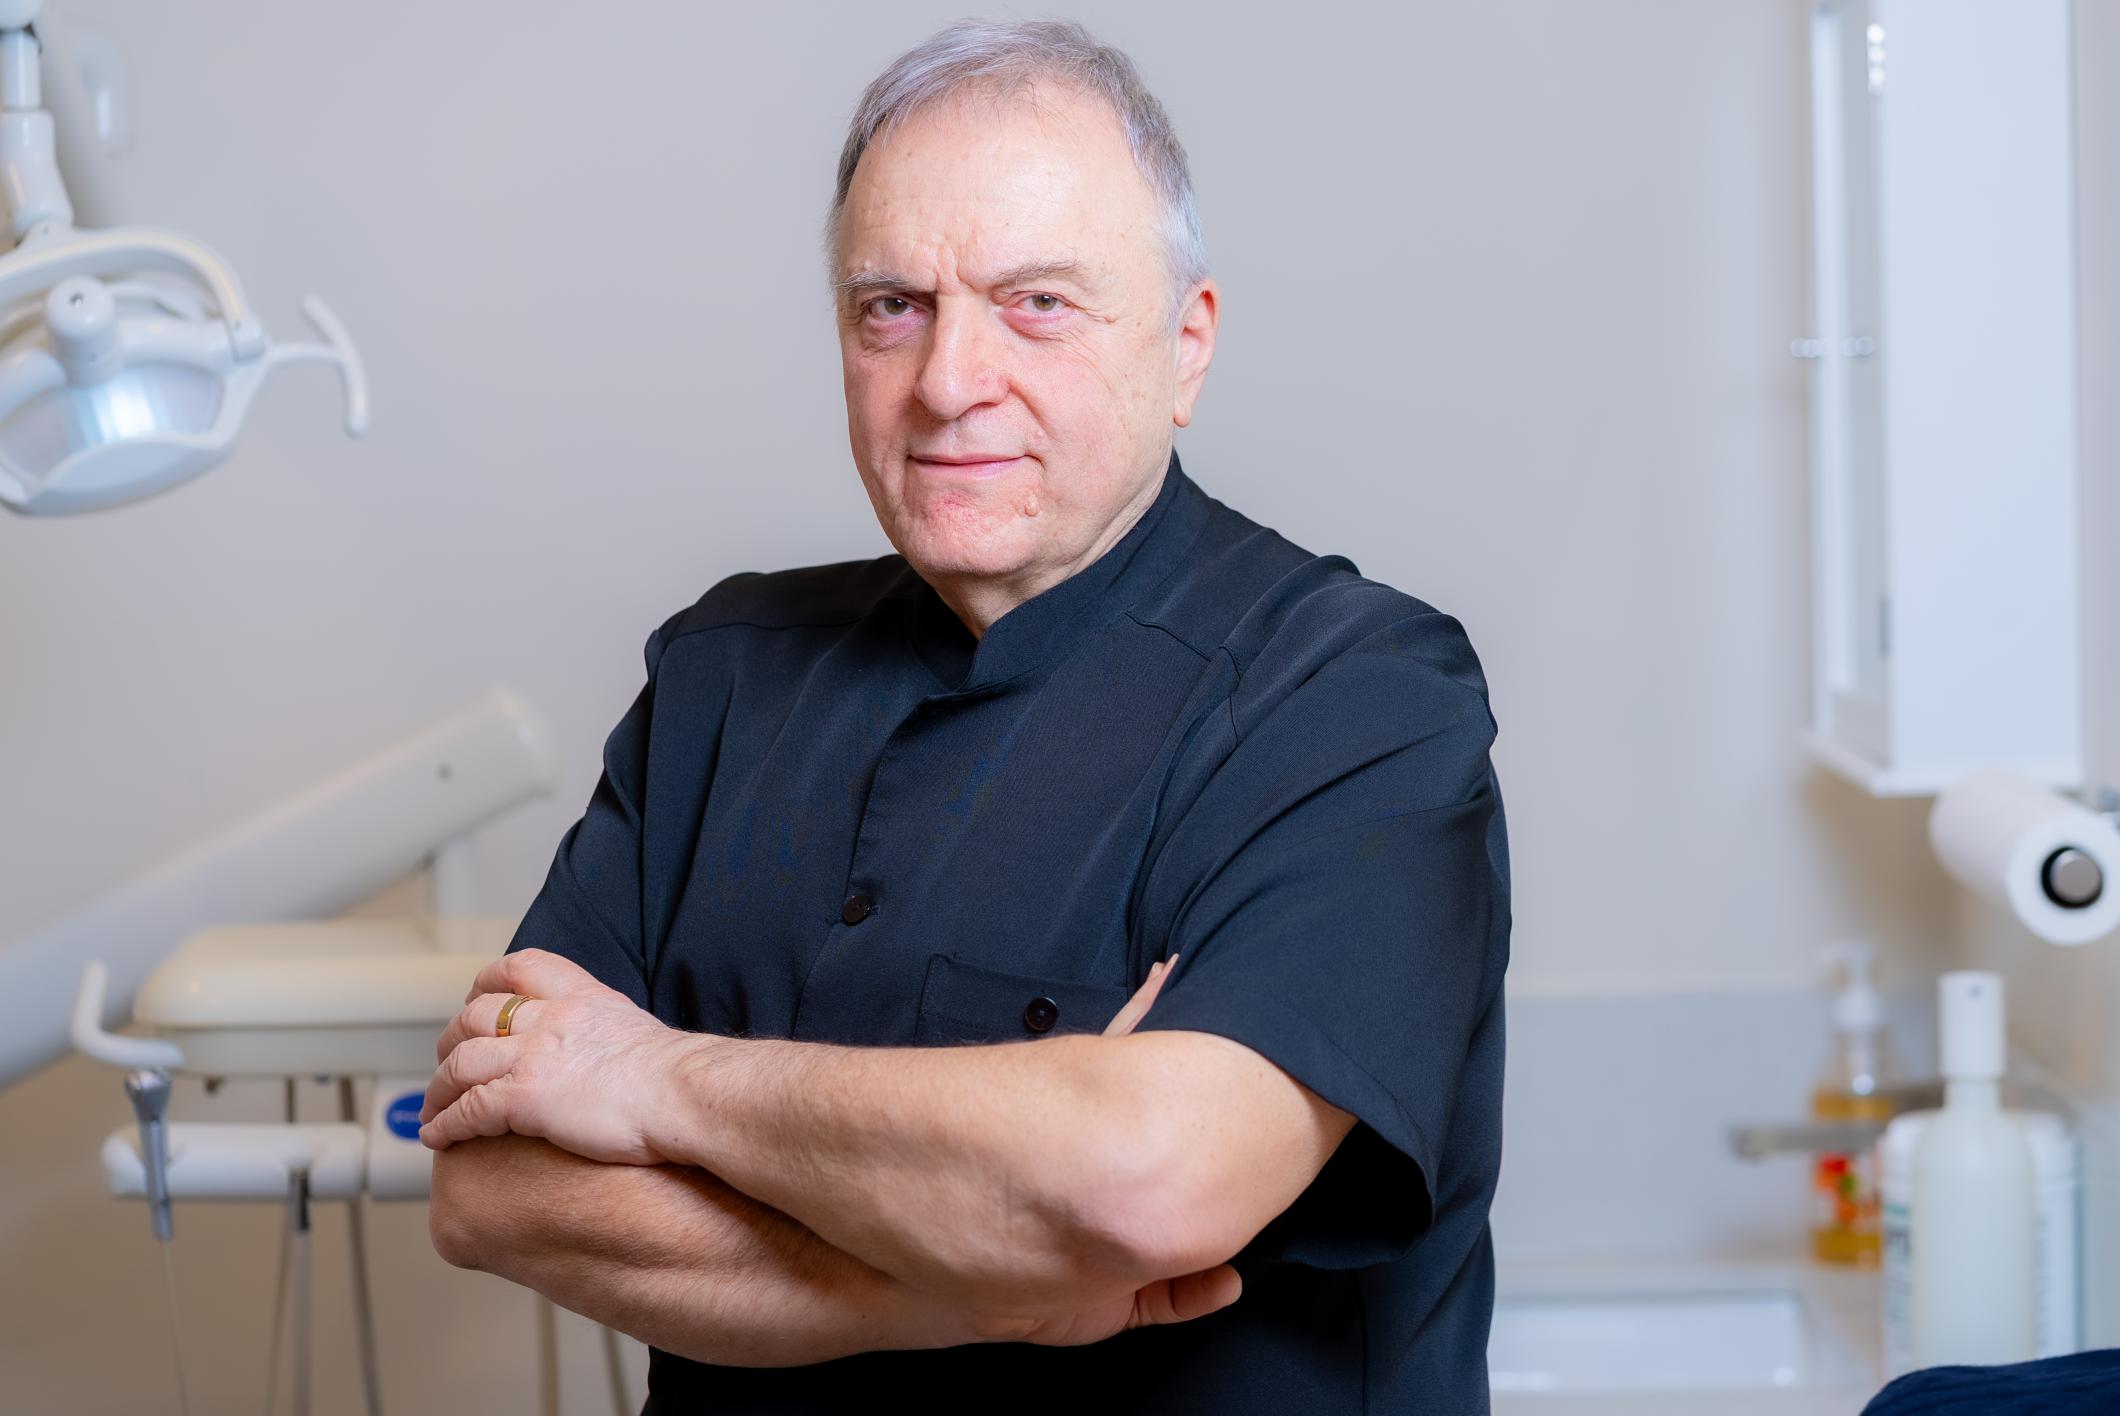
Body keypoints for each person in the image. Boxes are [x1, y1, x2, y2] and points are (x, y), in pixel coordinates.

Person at [420, 18, 1510, 1414]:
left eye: (1037, 303)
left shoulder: (1354, 694)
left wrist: (652, 1080)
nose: (946, 382)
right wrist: (961, 1291)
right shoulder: (721, 675)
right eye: (893, 306)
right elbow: (491, 1188)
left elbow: (1151, 1180)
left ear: (1186, 345)